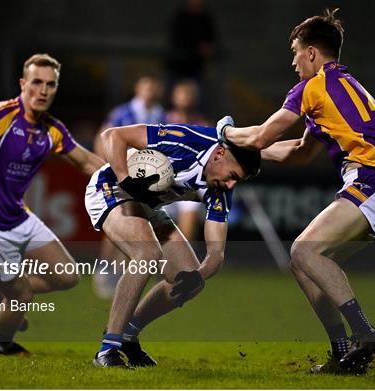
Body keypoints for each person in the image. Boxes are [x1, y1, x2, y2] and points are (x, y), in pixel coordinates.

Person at [217, 9, 375, 374]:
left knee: (304, 250)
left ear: (313, 53)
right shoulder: (343, 87)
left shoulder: (314, 86)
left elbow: (260, 135)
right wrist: (249, 150)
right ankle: (343, 354)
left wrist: (227, 133)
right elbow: (299, 153)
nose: (293, 62)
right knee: (304, 263)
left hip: (371, 180)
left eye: (296, 53)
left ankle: (365, 332)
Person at [0, 53, 104, 355]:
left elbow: (86, 161)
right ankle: (2, 344)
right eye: (37, 83)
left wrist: (122, 179)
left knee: (67, 276)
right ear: (22, 83)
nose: (43, 90)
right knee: (22, 295)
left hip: (18, 216)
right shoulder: (1, 116)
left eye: (50, 85)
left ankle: (6, 290)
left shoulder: (52, 129)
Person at [85, 122, 261, 368]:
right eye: (232, 176)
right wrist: (126, 180)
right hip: (112, 189)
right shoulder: (184, 141)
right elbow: (112, 135)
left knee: (186, 280)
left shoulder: (219, 191)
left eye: (237, 182)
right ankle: (107, 350)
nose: (230, 185)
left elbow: (216, 254)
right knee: (146, 253)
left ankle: (128, 336)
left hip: (148, 204)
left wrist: (197, 276)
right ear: (220, 153)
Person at [92, 74, 166, 299]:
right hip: (119, 174)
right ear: (138, 88)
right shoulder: (123, 112)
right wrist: (103, 165)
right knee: (116, 219)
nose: (150, 91)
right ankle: (105, 268)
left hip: (144, 177)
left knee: (136, 222)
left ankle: (121, 273)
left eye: (154, 87)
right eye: (146, 86)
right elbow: (102, 137)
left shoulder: (161, 114)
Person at [163, 79, 211, 241]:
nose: (186, 97)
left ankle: (182, 264)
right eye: (182, 93)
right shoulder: (161, 121)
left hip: (189, 183)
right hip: (162, 181)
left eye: (190, 94)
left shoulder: (203, 126)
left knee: (189, 217)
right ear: (173, 97)